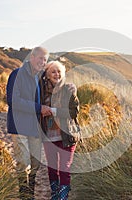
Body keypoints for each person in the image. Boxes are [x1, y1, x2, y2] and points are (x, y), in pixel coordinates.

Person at [6, 46, 52, 199]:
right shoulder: (17, 74)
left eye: (45, 60)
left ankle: (30, 193)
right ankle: (24, 196)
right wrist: (39, 108)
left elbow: (55, 84)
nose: (43, 62)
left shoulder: (39, 77)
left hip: (35, 128)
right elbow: (13, 101)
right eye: (40, 58)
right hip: (19, 127)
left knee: (35, 164)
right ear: (32, 57)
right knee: (23, 164)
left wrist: (69, 87)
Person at [40, 61, 79, 200]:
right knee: (51, 169)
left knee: (64, 168)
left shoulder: (69, 89)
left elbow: (73, 112)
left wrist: (53, 111)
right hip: (48, 137)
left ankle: (62, 197)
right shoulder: (42, 90)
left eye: (59, 72)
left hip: (66, 136)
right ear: (47, 75)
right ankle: (55, 195)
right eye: (53, 72)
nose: (57, 74)